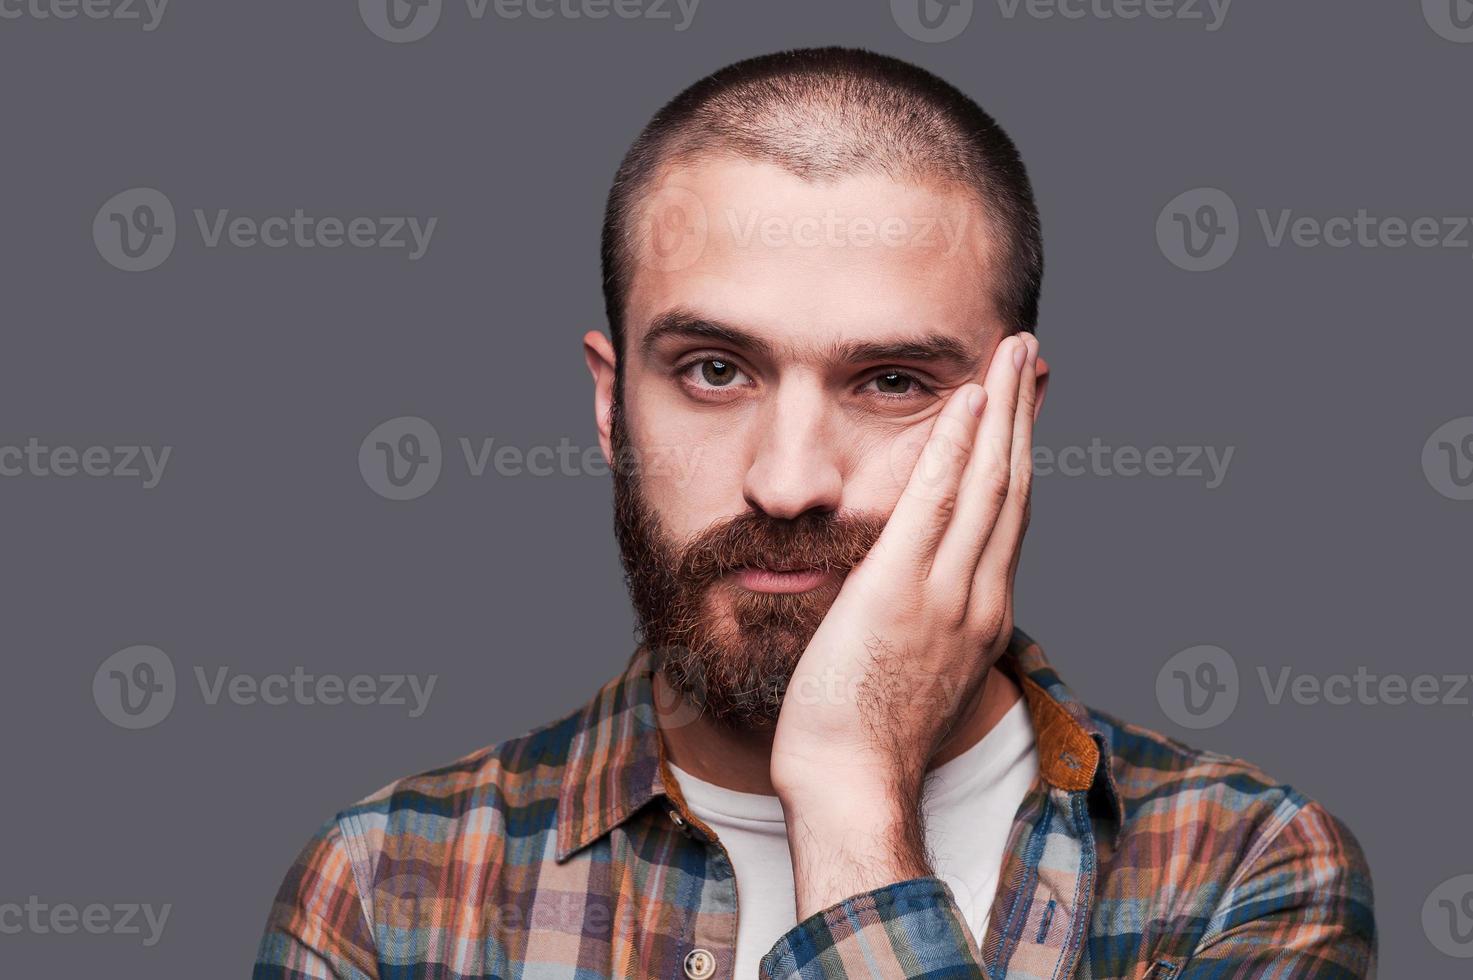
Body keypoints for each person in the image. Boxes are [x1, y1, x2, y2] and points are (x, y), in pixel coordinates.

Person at [253, 47, 1375, 979]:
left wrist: (851, 796)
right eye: (711, 370)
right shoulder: (393, 888)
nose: (788, 482)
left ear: (1013, 426)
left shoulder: (1241, 870)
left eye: (890, 379)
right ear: (610, 403)